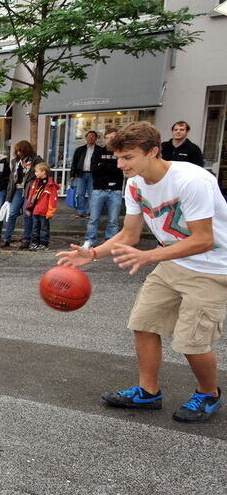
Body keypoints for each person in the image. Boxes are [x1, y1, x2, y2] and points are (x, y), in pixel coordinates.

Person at [57, 121, 225, 424]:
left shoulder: (192, 180)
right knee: (143, 323)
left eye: (128, 157)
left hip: (213, 268)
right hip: (174, 261)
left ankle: (208, 393)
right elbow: (129, 233)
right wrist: (92, 253)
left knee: (191, 341)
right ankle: (149, 392)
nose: (121, 165)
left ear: (153, 152)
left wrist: (149, 256)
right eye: (119, 158)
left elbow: (203, 239)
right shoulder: (134, 182)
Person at [83, 128, 124, 249]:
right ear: (105, 138)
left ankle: (110, 242)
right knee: (93, 219)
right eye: (108, 137)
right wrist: (111, 166)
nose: (111, 140)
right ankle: (90, 240)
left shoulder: (121, 152)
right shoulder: (98, 151)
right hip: (98, 189)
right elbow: (94, 169)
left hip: (115, 190)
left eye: (113, 137)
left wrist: (104, 165)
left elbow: (120, 169)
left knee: (113, 220)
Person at [0, 141, 45, 249]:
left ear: (26, 150)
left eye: (20, 150)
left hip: (29, 191)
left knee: (27, 214)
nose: (18, 153)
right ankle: (7, 238)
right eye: (17, 151)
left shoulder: (36, 160)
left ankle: (26, 239)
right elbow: (12, 179)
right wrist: (8, 195)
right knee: (12, 213)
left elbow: (45, 171)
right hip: (17, 190)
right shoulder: (15, 161)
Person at [25, 162, 58, 250]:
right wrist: (28, 208)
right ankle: (35, 243)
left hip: (44, 211)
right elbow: (31, 196)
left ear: (43, 172)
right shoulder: (36, 183)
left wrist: (50, 212)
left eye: (36, 171)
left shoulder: (51, 185)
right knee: (35, 227)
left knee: (44, 228)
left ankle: (44, 243)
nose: (35, 173)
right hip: (35, 210)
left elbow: (53, 200)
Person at [70, 130, 98, 218]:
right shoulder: (79, 150)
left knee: (92, 194)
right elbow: (74, 162)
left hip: (93, 175)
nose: (91, 138)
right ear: (86, 138)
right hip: (81, 174)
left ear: (96, 138)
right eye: (89, 136)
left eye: (93, 136)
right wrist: (72, 174)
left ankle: (89, 212)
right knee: (80, 194)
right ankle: (80, 212)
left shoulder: (99, 150)